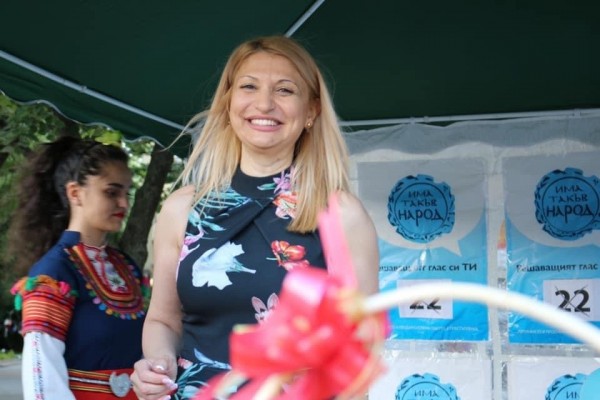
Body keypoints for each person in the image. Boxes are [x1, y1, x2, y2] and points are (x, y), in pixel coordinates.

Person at [130, 35, 379, 400]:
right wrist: (158, 364)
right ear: (229, 101)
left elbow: (360, 351)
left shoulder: (340, 215)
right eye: (249, 86)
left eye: (285, 90)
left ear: (311, 111)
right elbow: (163, 320)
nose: (264, 103)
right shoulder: (182, 209)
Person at [9, 136, 149, 400]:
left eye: (127, 193)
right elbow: (43, 377)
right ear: (75, 193)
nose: (124, 203)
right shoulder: (53, 273)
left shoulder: (126, 267)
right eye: (111, 192)